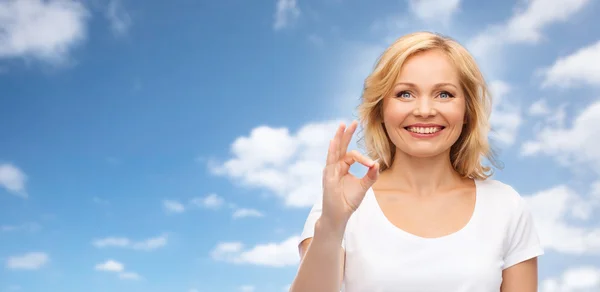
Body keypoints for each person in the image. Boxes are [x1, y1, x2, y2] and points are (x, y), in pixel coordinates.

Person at [288, 31, 544, 292]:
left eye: (444, 94)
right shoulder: (339, 205)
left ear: (467, 111)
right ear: (380, 110)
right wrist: (332, 226)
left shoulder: (505, 206)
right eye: (405, 94)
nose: (424, 110)